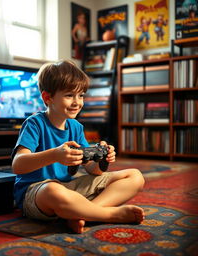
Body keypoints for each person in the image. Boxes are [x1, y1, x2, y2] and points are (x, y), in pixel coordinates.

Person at [12, 60, 145, 234]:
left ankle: (83, 214)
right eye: (69, 95)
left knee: (135, 176)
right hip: (38, 192)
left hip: (70, 189)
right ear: (48, 97)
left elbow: (93, 170)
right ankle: (108, 214)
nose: (77, 102)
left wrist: (101, 159)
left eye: (81, 95)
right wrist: (55, 155)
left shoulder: (76, 127)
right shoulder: (35, 123)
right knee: (53, 190)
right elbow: (18, 165)